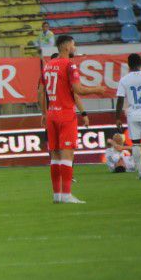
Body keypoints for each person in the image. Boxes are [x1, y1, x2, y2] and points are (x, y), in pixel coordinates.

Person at [39, 34, 108, 203]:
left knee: (55, 156)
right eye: (73, 45)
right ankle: (67, 195)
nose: (74, 48)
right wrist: (97, 89)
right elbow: (78, 89)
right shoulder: (69, 65)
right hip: (65, 113)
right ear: (67, 46)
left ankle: (57, 195)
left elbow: (41, 91)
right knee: (67, 155)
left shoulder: (48, 66)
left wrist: (44, 113)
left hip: (52, 113)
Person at [115, 52, 141, 180]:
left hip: (132, 114)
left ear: (128, 65)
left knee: (136, 144)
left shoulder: (124, 80)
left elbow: (120, 99)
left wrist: (118, 117)